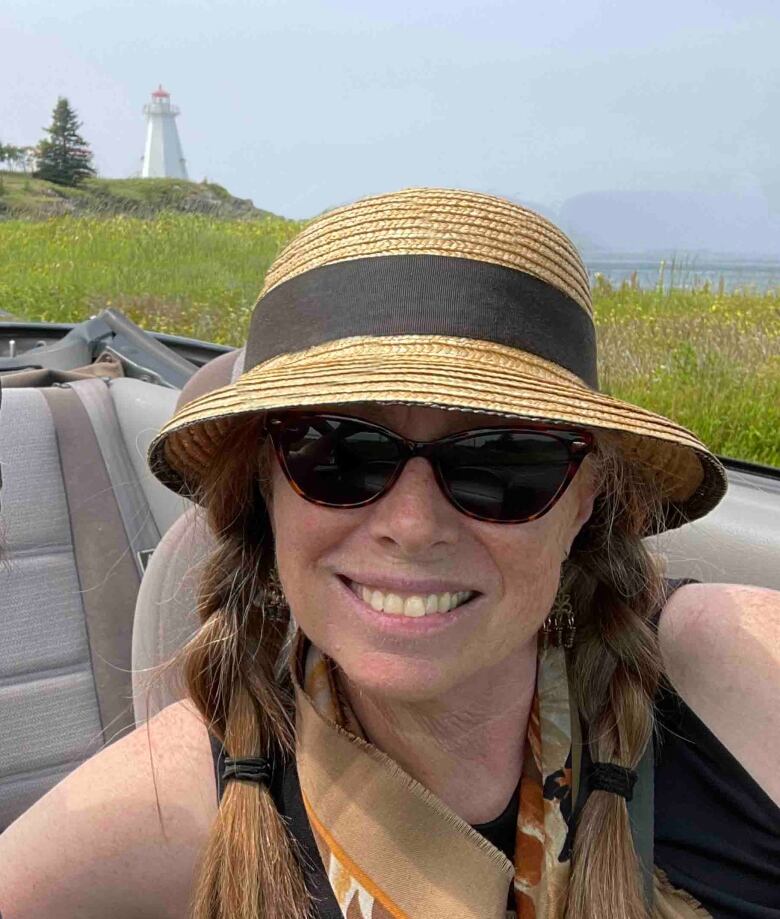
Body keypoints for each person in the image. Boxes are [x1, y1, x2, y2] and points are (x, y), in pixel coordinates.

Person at [0, 188, 778, 919]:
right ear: (266, 488)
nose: (412, 523)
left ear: (583, 499)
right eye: (338, 452)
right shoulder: (176, 796)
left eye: (502, 461)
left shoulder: (737, 670)